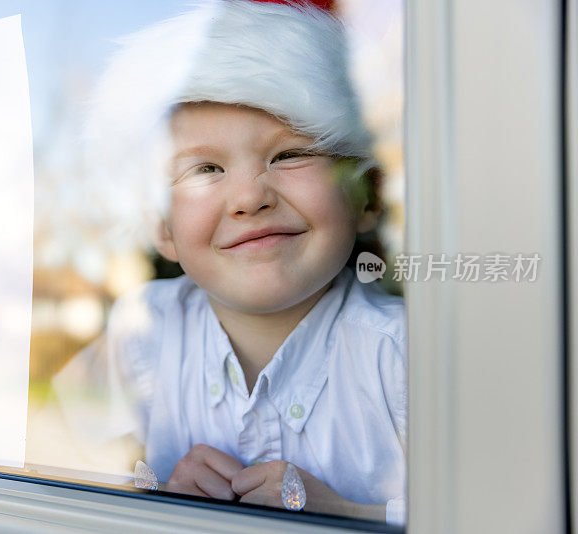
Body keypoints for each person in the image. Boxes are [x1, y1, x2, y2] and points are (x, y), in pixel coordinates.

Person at [56, 0, 405, 525]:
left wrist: (348, 513)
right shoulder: (142, 333)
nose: (248, 198)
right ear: (162, 227)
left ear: (368, 197)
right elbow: (69, 480)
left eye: (289, 155)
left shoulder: (404, 359)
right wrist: (151, 494)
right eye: (205, 168)